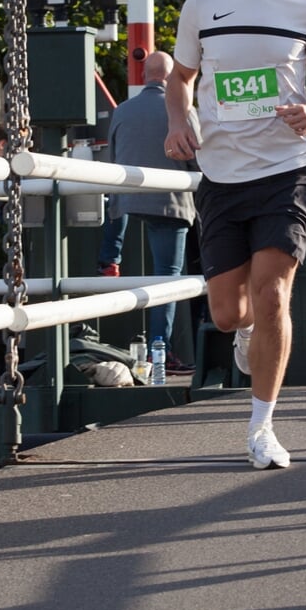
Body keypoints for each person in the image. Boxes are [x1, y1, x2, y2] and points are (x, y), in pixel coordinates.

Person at [164, 0, 306, 470]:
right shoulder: (201, 6)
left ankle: (262, 426)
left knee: (274, 297)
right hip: (221, 174)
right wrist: (177, 121)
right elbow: (180, 78)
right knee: (228, 313)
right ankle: (246, 335)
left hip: (283, 171)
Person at [97, 51, 196, 375]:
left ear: (144, 76)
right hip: (170, 202)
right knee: (166, 277)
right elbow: (198, 159)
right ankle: (159, 352)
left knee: (120, 212)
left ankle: (110, 259)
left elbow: (114, 162)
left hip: (126, 202)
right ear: (171, 78)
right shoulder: (183, 110)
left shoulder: (122, 111)